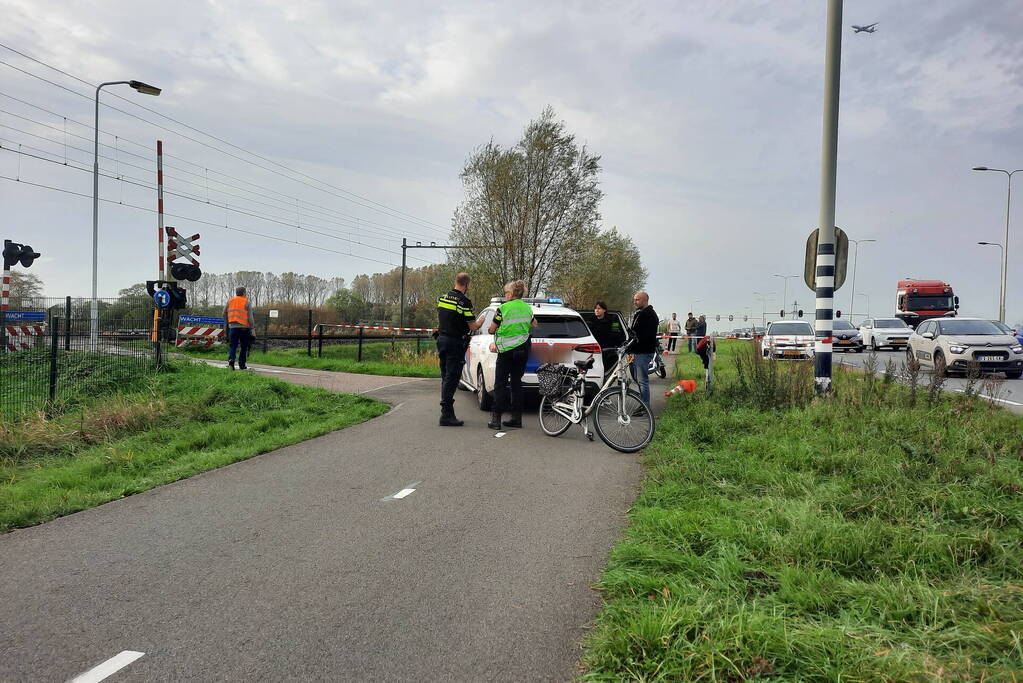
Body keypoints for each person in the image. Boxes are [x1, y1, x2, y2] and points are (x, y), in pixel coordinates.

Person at [436, 272, 484, 427]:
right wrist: (481, 321)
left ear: (455, 282)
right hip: (455, 343)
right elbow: (473, 326)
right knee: (453, 377)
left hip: (441, 340)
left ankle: (446, 412)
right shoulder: (464, 302)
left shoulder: (443, 298)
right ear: (467, 285)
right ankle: (446, 414)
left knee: (445, 376)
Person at [487, 280, 535, 430]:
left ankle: (496, 419)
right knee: (516, 383)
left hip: (506, 351)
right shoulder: (527, 308)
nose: (505, 295)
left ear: (511, 293)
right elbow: (535, 324)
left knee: (500, 384)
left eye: (506, 293)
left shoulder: (503, 308)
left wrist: (492, 329)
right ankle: (516, 418)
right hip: (522, 350)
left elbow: (492, 329)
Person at [627, 291, 659, 406]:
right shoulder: (640, 313)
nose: (634, 302)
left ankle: (645, 406)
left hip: (643, 352)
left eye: (637, 300)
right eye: (634, 299)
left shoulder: (649, 315)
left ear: (645, 300)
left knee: (642, 380)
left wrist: (633, 344)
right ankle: (643, 401)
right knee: (637, 378)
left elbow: (644, 336)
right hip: (636, 352)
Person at [590, 300, 625, 377]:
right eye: (595, 308)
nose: (596, 310)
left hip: (608, 349)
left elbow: (617, 333)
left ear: (604, 310)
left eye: (599, 308)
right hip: (594, 348)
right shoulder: (591, 321)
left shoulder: (613, 319)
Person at [224, 286, 255, 370]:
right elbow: (250, 317)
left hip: (233, 327)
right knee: (244, 346)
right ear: (244, 293)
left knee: (233, 345)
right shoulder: (247, 302)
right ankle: (242, 364)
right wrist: (252, 329)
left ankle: (231, 362)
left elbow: (224, 313)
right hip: (245, 328)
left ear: (236, 293)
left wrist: (228, 323)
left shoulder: (230, 301)